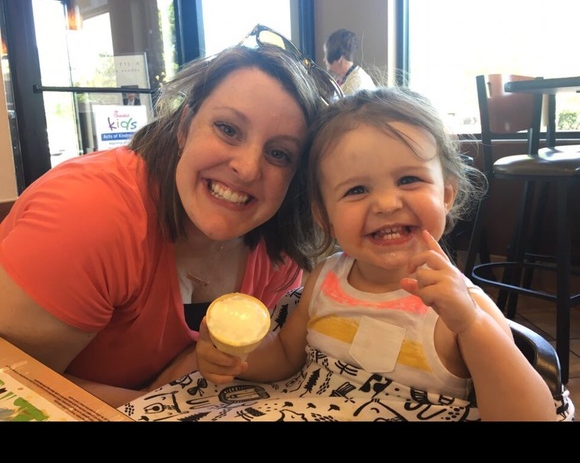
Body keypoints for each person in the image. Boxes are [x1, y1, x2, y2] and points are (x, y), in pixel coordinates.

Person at [0, 24, 335, 408]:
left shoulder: (281, 249)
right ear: (184, 126)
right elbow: (14, 382)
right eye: (228, 129)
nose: (246, 169)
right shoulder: (89, 217)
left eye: (279, 154)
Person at [195, 87, 558, 421]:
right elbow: (286, 358)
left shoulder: (463, 308)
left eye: (408, 180)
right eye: (356, 189)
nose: (386, 203)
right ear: (325, 217)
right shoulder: (324, 279)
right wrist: (236, 356)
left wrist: (471, 325)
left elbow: (532, 416)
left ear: (446, 195)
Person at [323, 28, 376, 94]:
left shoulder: (356, 85)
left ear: (340, 58)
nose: (324, 60)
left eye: (326, 54)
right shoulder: (342, 79)